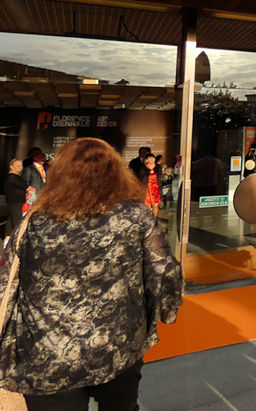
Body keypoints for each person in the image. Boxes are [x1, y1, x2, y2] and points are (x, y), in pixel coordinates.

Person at [0, 137, 182, 407]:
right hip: (117, 347)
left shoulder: (35, 221)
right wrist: (166, 311)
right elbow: (164, 272)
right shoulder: (135, 215)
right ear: (116, 173)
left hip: (49, 354)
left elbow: (7, 282)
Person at [5, 157, 27, 234]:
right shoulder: (13, 178)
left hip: (15, 203)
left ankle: (7, 238)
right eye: (17, 166)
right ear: (11, 167)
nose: (20, 167)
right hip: (16, 203)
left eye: (21, 165)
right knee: (18, 223)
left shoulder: (15, 177)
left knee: (11, 221)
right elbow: (29, 188)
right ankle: (18, 239)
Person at [140, 153, 163, 218]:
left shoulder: (158, 167)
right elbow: (141, 178)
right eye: (150, 158)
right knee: (147, 206)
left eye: (153, 158)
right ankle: (148, 220)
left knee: (155, 205)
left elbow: (159, 177)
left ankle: (154, 219)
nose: (152, 159)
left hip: (156, 189)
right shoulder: (143, 168)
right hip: (147, 188)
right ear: (146, 160)